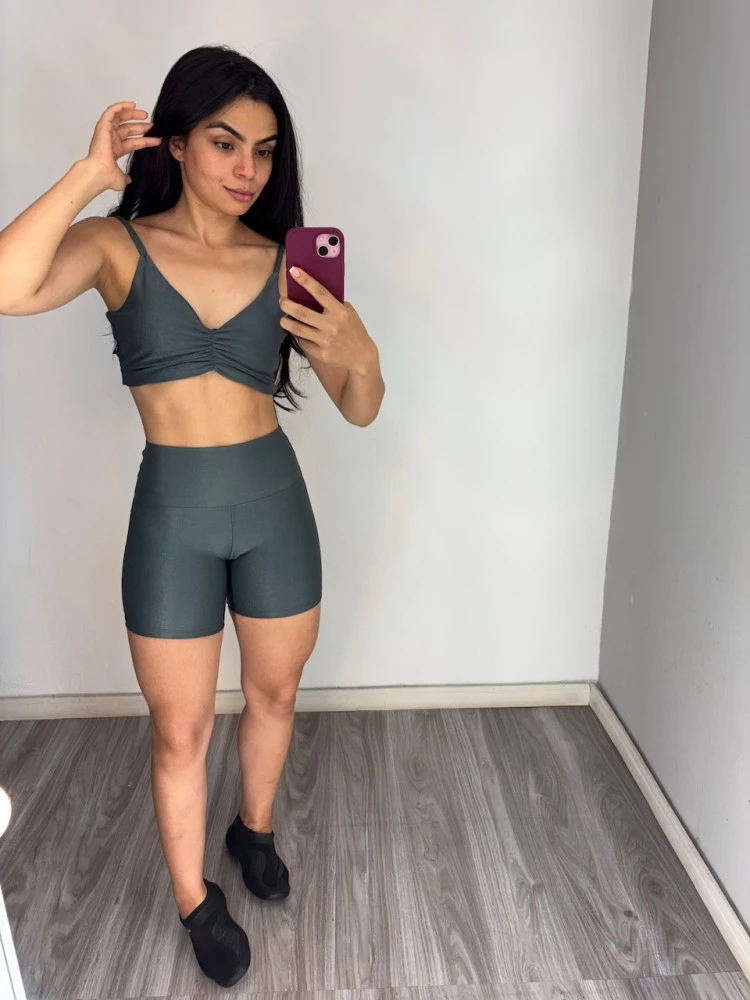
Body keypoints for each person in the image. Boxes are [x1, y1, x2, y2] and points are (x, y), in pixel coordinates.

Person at [0, 44, 385, 988]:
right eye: (224, 142)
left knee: (275, 695)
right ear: (174, 143)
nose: (248, 168)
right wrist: (91, 173)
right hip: (173, 514)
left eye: (263, 149)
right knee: (179, 732)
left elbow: (361, 408)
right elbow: (7, 287)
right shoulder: (117, 247)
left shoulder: (285, 264)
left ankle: (252, 830)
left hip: (274, 504)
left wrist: (362, 351)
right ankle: (194, 899)